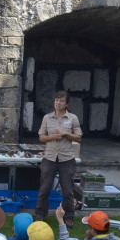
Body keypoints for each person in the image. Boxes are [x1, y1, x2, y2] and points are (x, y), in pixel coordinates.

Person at [36, 90, 82, 227]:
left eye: (62, 101)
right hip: (49, 157)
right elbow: (41, 137)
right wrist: (52, 137)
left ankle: (68, 216)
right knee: (44, 188)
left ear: (67, 104)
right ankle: (40, 214)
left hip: (66, 158)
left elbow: (78, 138)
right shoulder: (47, 118)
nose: (58, 103)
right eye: (56, 100)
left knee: (68, 190)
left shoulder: (73, 118)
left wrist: (66, 133)